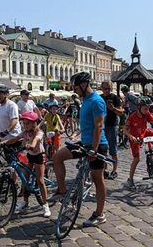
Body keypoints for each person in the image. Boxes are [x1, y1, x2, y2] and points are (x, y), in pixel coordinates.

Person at [52, 71, 109, 227]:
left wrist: (95, 149)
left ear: (84, 85)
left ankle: (99, 214)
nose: (73, 90)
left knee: (97, 178)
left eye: (75, 87)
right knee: (57, 157)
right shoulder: (85, 101)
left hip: (97, 146)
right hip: (84, 143)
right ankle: (63, 192)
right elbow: (87, 124)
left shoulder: (97, 101)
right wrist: (77, 135)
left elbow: (98, 126)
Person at [0, 111, 51, 217]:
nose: (25, 125)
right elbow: (14, 139)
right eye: (24, 123)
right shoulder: (25, 132)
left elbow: (36, 141)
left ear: (34, 123)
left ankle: (45, 205)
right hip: (30, 156)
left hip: (39, 156)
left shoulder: (39, 132)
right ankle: (25, 202)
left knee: (40, 180)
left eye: (27, 123)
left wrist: (30, 145)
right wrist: (2, 143)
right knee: (25, 180)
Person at [122, 96, 153, 189]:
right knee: (136, 159)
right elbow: (124, 130)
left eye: (148, 108)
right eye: (145, 108)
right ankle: (130, 180)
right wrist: (131, 136)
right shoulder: (132, 116)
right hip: (135, 137)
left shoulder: (147, 114)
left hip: (145, 132)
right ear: (139, 107)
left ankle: (152, 163)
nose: (147, 110)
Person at [100, 81, 123, 180]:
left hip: (112, 125)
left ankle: (114, 171)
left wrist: (113, 108)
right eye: (105, 88)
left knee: (113, 150)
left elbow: (121, 113)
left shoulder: (115, 98)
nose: (107, 91)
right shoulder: (99, 98)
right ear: (101, 88)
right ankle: (104, 170)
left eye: (109, 89)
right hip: (101, 126)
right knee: (102, 149)